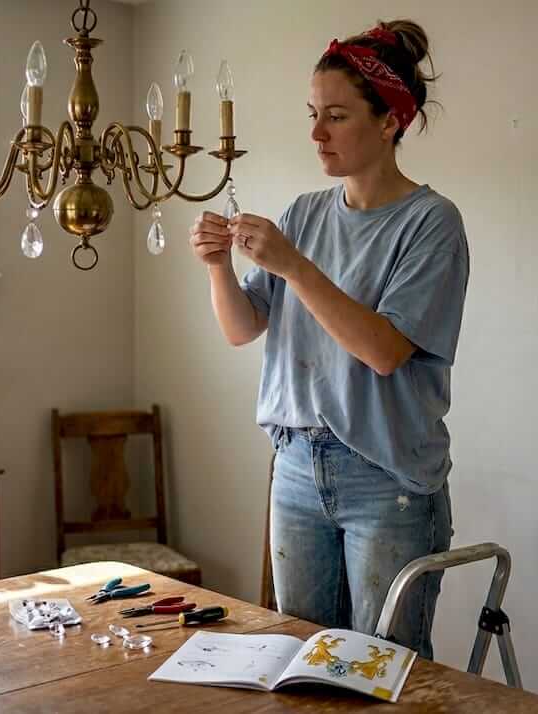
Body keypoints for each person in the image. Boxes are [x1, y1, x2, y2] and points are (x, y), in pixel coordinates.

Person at [188, 19, 468, 659]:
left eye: (336, 116)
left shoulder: (431, 223)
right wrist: (216, 267)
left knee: (382, 671)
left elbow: (384, 350)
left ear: (391, 120)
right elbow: (241, 328)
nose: (316, 133)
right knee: (299, 662)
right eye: (313, 114)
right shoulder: (304, 213)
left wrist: (294, 266)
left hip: (386, 477)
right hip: (292, 465)